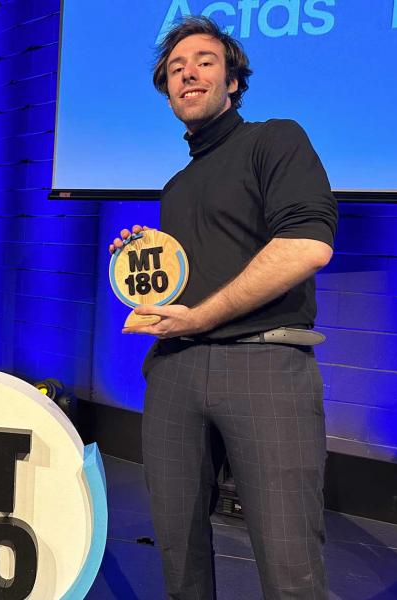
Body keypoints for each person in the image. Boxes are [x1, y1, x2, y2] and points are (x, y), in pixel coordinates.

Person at [109, 17, 338, 599]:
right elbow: (195, 280)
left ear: (233, 81)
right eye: (176, 68)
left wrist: (203, 316)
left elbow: (307, 245)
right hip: (175, 370)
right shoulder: (176, 188)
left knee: (290, 566)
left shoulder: (275, 139)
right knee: (178, 555)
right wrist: (144, 266)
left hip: (264, 367)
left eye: (205, 62)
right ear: (168, 91)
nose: (188, 73)